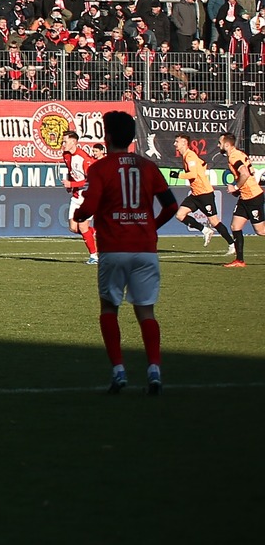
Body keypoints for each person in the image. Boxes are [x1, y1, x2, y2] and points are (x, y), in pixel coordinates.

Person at [73, 110, 179, 394]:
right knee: (146, 311)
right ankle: (154, 368)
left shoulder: (99, 168)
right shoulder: (148, 167)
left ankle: (119, 369)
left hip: (114, 248)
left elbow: (89, 206)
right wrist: (152, 227)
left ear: (107, 138)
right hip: (145, 248)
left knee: (109, 308)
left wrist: (81, 214)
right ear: (132, 138)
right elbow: (171, 206)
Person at [215, 134, 260, 268]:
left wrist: (235, 187)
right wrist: (239, 190)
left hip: (252, 197)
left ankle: (239, 260)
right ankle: (239, 261)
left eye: (220, 143)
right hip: (245, 197)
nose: (218, 145)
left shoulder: (234, 156)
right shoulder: (239, 154)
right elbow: (250, 171)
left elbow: (245, 173)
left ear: (227, 145)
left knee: (261, 231)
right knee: (235, 226)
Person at [171, 135, 220, 248]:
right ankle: (205, 230)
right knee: (180, 215)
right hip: (195, 193)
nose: (174, 144)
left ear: (184, 142)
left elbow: (193, 174)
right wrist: (201, 171)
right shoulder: (186, 156)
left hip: (204, 193)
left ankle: (232, 244)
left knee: (214, 221)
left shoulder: (190, 156)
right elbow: (203, 164)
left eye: (176, 141)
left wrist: (178, 175)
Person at [62, 132, 98, 264]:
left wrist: (72, 184)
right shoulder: (66, 155)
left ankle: (94, 256)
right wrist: (69, 185)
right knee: (73, 228)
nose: (63, 144)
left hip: (88, 196)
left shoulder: (83, 158)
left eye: (65, 141)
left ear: (73, 142)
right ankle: (96, 233)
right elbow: (71, 171)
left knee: (83, 227)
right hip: (76, 196)